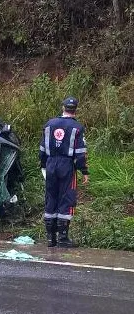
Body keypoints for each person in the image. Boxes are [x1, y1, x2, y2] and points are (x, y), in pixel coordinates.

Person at [39, 97, 89, 248]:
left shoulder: (49, 124)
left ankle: (50, 238)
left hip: (50, 163)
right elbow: (80, 153)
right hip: (66, 165)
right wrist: (84, 171)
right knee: (66, 198)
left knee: (51, 197)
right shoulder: (77, 127)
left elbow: (42, 149)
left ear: (63, 107)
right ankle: (62, 238)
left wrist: (43, 166)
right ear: (75, 109)